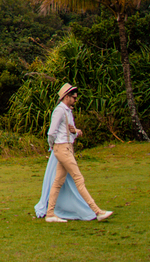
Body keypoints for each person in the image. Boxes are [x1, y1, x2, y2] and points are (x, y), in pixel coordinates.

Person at [40, 84, 113, 223]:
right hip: (62, 148)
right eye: (73, 97)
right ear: (66, 97)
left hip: (66, 147)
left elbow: (64, 131)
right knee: (78, 179)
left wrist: (75, 132)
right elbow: (51, 132)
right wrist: (52, 146)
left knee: (58, 181)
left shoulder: (67, 111)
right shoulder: (60, 110)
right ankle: (97, 211)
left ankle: (50, 214)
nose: (75, 100)